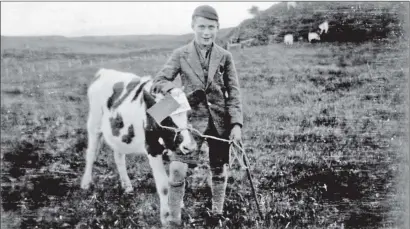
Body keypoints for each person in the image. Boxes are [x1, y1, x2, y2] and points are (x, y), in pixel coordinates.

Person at [151, 4, 243, 226]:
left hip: (220, 121)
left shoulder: (225, 56)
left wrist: (236, 124)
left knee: (219, 168)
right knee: (177, 168)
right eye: (201, 26)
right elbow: (158, 83)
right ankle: (173, 219)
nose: (206, 32)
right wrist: (171, 90)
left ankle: (217, 212)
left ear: (217, 28)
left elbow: (234, 91)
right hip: (190, 123)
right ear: (193, 26)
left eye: (211, 27)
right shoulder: (180, 54)